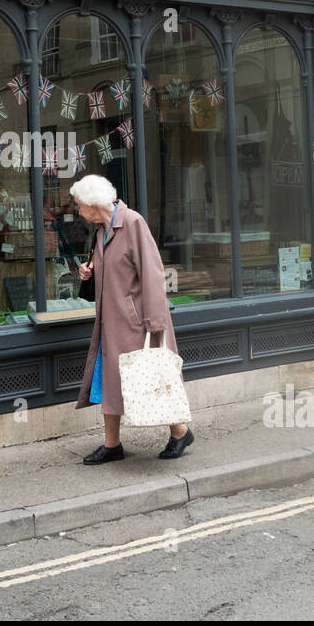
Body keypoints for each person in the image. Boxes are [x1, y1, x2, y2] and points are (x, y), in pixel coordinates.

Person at [70, 174, 193, 463]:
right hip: (109, 324)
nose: (78, 211)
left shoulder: (133, 223)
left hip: (137, 323)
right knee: (109, 380)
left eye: (78, 205)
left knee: (150, 379)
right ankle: (112, 445)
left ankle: (180, 431)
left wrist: (155, 323)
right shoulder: (101, 231)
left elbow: (152, 274)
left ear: (91, 203)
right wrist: (89, 272)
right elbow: (113, 272)